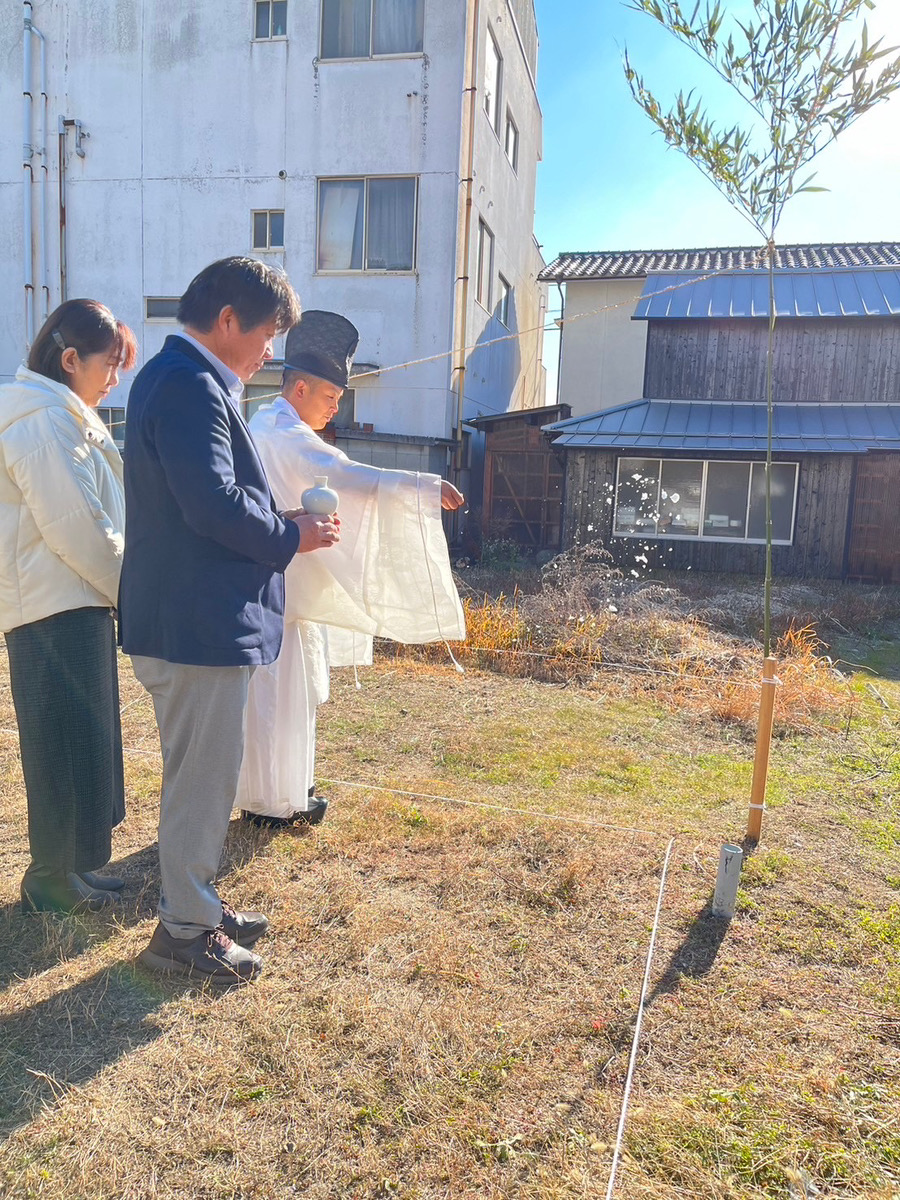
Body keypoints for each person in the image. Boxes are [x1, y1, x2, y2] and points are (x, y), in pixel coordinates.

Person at [119, 258, 339, 986]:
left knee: (205, 776)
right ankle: (183, 933)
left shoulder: (186, 378)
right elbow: (210, 504)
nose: (272, 350)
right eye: (270, 332)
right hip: (195, 623)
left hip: (192, 617)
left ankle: (197, 905)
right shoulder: (188, 383)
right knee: (202, 781)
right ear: (227, 321)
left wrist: (280, 522)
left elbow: (209, 501)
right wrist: (290, 536)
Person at [236, 310, 465, 828]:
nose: (336, 407)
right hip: (278, 578)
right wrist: (422, 485)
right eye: (330, 397)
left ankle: (289, 789)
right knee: (276, 694)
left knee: (292, 691)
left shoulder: (278, 425)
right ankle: (270, 801)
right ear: (298, 388)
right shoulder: (280, 433)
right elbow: (344, 475)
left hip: (287, 575)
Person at [0, 299, 137, 913]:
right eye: (110, 364)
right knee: (62, 743)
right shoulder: (41, 419)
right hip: (52, 602)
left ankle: (69, 871)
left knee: (82, 739)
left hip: (70, 597)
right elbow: (76, 524)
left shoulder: (56, 412)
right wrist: (133, 591)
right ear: (71, 358)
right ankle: (51, 878)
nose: (114, 378)